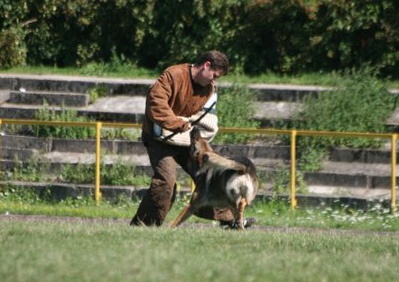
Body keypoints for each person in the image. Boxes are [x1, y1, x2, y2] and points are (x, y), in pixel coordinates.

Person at [130, 50, 256, 229]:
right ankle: (144, 226)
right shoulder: (173, 75)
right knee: (166, 181)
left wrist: (203, 132)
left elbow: (205, 117)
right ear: (206, 65)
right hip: (159, 139)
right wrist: (177, 123)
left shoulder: (208, 88)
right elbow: (155, 103)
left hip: (185, 140)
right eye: (214, 75)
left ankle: (230, 221)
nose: (214, 80)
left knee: (211, 175)